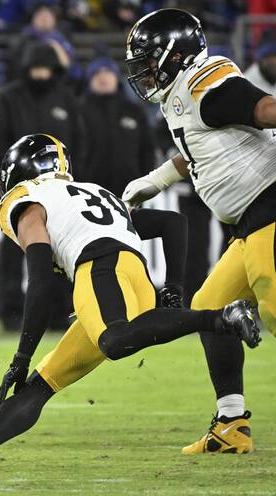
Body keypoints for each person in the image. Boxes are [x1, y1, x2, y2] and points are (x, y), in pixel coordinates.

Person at [0, 133, 259, 476]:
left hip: (99, 268)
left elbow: (40, 281)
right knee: (42, 384)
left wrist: (21, 358)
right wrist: (172, 289)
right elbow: (174, 223)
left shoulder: (24, 201)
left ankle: (220, 317)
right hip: (133, 278)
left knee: (114, 340)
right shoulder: (95, 191)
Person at [123, 8, 276, 454]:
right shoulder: (184, 96)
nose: (145, 73)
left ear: (174, 55)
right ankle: (231, 425)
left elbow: (263, 108)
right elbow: (204, 149)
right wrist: (157, 180)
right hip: (248, 224)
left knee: (273, 308)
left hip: (269, 210)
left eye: (149, 62)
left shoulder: (205, 83)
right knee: (211, 311)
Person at [0, 41, 84, 331]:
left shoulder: (65, 98)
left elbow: (79, 140)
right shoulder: (9, 97)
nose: (41, 74)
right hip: (19, 190)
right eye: (36, 68)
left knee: (59, 249)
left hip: (59, 192)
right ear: (26, 68)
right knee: (13, 250)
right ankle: (12, 313)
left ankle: (59, 313)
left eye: (45, 69)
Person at [76, 57, 155, 201]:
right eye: (97, 73)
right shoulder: (78, 111)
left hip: (129, 191)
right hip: (88, 192)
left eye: (108, 72)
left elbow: (147, 150)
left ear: (116, 78)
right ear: (90, 79)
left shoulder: (134, 111)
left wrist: (144, 182)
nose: (103, 77)